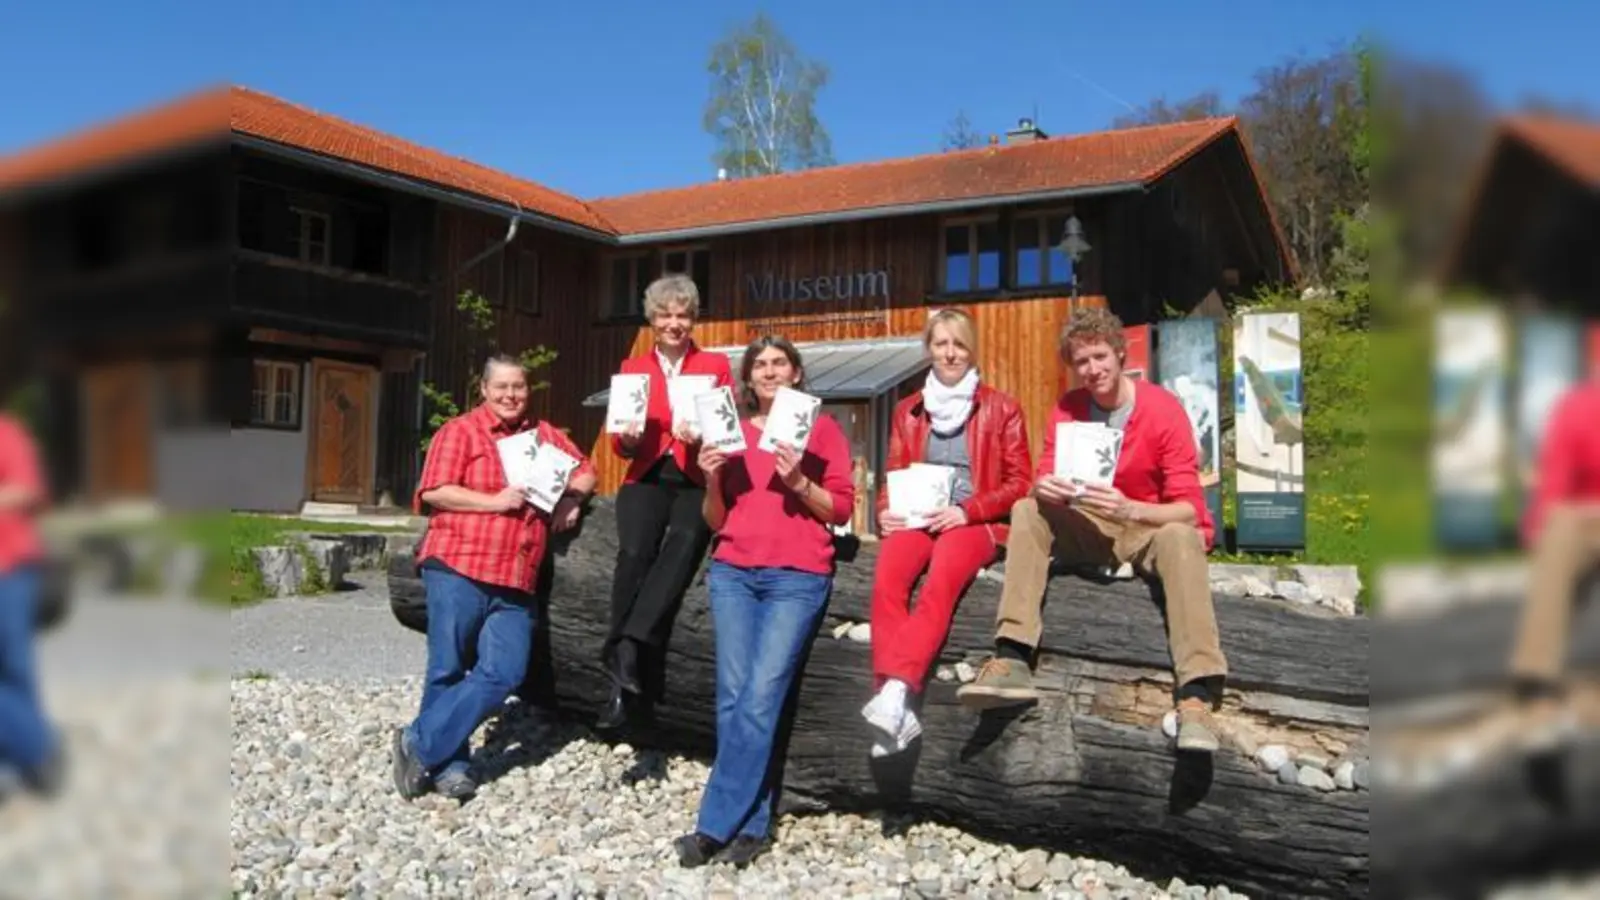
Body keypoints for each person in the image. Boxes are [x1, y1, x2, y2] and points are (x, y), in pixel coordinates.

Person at [956, 307, 1228, 754]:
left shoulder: (1162, 410)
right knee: (1027, 509)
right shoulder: (1068, 409)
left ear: (1120, 354)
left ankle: (1196, 697)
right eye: (1082, 361)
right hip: (1089, 524)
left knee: (1180, 537)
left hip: (1146, 523)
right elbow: (1043, 477)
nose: (1092, 369)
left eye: (1100, 356)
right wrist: (1046, 486)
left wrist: (1132, 508)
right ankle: (1012, 656)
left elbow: (1188, 510)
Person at [675, 336, 855, 869]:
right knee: (732, 697)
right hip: (733, 571)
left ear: (797, 373)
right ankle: (751, 824)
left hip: (796, 577)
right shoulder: (728, 433)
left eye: (780, 363)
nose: (770, 372)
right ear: (748, 379)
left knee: (759, 697)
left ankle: (714, 825)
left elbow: (841, 507)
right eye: (760, 366)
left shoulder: (820, 430)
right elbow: (717, 520)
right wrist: (710, 478)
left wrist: (798, 480)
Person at [392, 354, 597, 800]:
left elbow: (586, 469)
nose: (510, 396)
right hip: (460, 563)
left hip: (517, 575)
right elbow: (433, 492)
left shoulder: (545, 436)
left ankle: (419, 741)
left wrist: (572, 499)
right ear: (483, 390)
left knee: (504, 672)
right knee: (448, 667)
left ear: (528, 391)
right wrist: (494, 501)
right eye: (501, 387)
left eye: (518, 388)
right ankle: (451, 768)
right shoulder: (460, 431)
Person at [861, 309, 1032, 755]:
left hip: (976, 521)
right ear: (929, 350)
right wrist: (885, 511)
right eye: (941, 344)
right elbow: (893, 474)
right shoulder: (908, 410)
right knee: (888, 579)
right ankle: (895, 713)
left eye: (958, 344)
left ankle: (896, 690)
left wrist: (968, 509)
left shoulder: (1002, 407)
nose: (950, 353)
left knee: (941, 580)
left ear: (971, 350)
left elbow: (1020, 483)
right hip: (919, 515)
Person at [600, 274, 733, 731]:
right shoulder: (632, 368)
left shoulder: (714, 366)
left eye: (682, 315)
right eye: (665, 315)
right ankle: (622, 670)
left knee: (683, 539)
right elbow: (620, 445)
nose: (674, 323)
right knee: (634, 552)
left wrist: (704, 436)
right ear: (652, 320)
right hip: (647, 476)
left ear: (693, 320)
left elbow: (726, 431)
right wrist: (630, 439)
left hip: (694, 477)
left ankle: (629, 644)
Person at [1507, 370, 1600, 747]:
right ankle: (1538, 676)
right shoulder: (1577, 408)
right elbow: (1556, 474)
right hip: (1583, 514)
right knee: (1558, 533)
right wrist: (1537, 526)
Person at [0, 412, 65, 796]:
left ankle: (36, 754)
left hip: (11, 568)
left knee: (15, 666)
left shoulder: (7, 433)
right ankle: (28, 753)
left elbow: (28, 488)